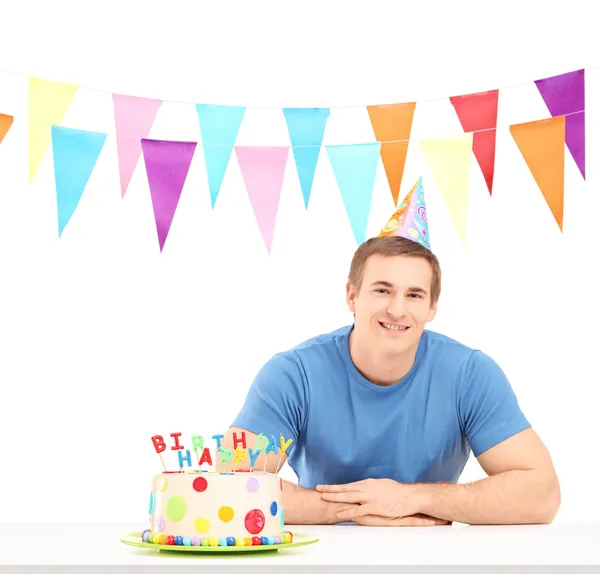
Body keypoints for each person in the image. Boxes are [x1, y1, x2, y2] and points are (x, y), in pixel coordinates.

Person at [218, 179, 560, 527]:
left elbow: (542, 495)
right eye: (382, 290)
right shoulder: (292, 374)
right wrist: (366, 509)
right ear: (351, 296)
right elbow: (227, 488)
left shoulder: (470, 374)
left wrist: (415, 498)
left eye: (414, 295)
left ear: (432, 307)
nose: (397, 310)